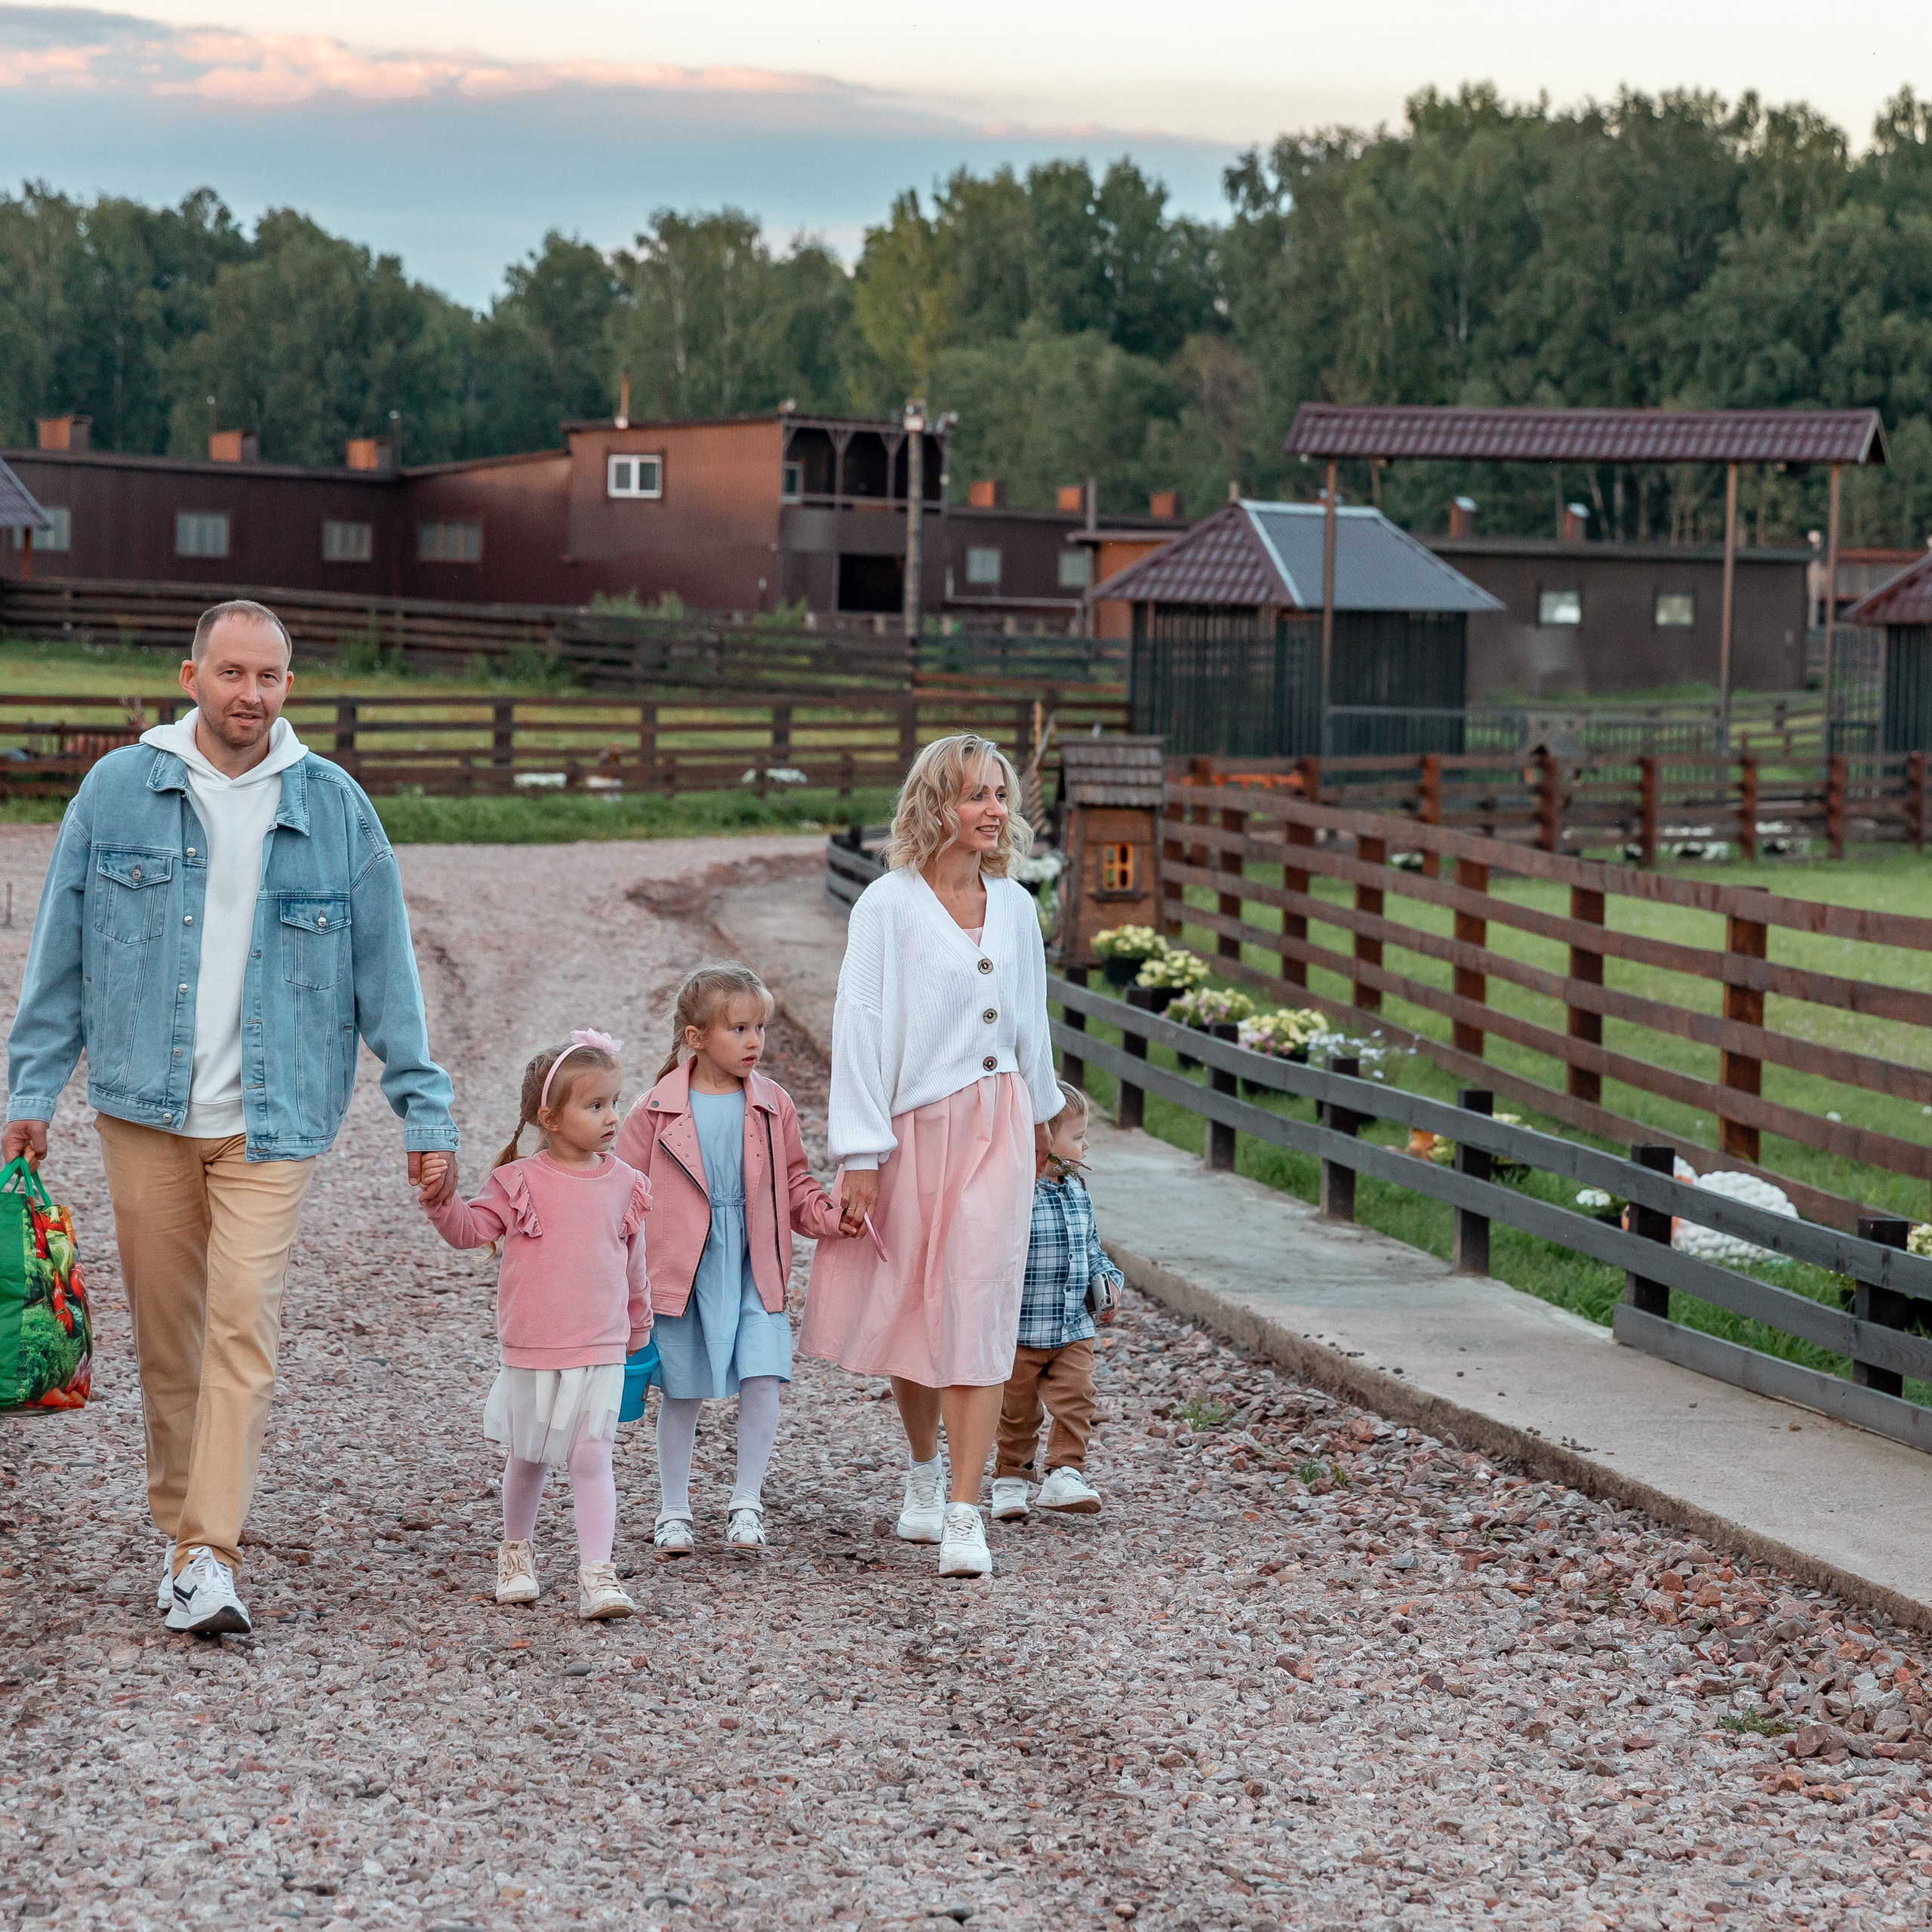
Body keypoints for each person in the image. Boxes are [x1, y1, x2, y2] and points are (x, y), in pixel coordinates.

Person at [3, 599, 460, 1637]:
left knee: (241, 1324)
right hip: (142, 1110)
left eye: (269, 677)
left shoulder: (336, 806)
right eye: (231, 674)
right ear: (191, 676)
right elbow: (60, 952)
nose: (250, 694)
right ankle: (182, 1538)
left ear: (288, 687)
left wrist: (422, 1109)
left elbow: (387, 971)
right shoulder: (119, 791)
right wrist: (32, 1094)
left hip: (275, 1117)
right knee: (169, 1340)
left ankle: (209, 1553)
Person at [801, 734, 1063, 1580]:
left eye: (1000, 794)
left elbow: (1033, 1025)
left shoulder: (1018, 907)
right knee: (915, 1305)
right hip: (912, 1130)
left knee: (978, 1307)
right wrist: (862, 1153)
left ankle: (963, 1508)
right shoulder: (887, 905)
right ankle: (921, 1474)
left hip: (1000, 1125)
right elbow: (861, 1028)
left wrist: (1044, 1124)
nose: (995, 809)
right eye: (976, 795)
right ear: (935, 805)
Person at [417, 1030, 650, 1620]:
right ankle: (515, 1555)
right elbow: (470, 1232)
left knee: (593, 1455)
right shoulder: (519, 1181)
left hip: (602, 1345)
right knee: (529, 1456)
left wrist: (640, 1326)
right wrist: (441, 1201)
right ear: (548, 1117)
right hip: (535, 1344)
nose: (611, 1117)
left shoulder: (626, 1184)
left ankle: (597, 1574)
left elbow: (635, 1264)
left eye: (614, 1102)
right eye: (594, 1105)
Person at [616, 963, 842, 1560]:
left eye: (760, 1028)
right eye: (738, 1028)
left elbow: (795, 1181)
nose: (754, 1042)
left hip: (753, 1262)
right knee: (682, 1390)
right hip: (681, 1272)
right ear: (696, 1037)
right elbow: (621, 1194)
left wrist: (828, 1217)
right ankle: (673, 1511)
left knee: (763, 1375)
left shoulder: (774, 1104)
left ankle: (748, 1502)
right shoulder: (653, 1110)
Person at [991, 1082, 1124, 1522]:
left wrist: (1107, 1280)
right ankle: (1011, 1476)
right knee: (1016, 1409)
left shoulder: (1078, 1192)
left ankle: (1065, 1472)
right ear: (1043, 1140)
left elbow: (1091, 1248)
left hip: (1072, 1326)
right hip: (1021, 1330)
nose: (1086, 1144)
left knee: (1077, 1396)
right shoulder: (1015, 1193)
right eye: (1078, 1135)